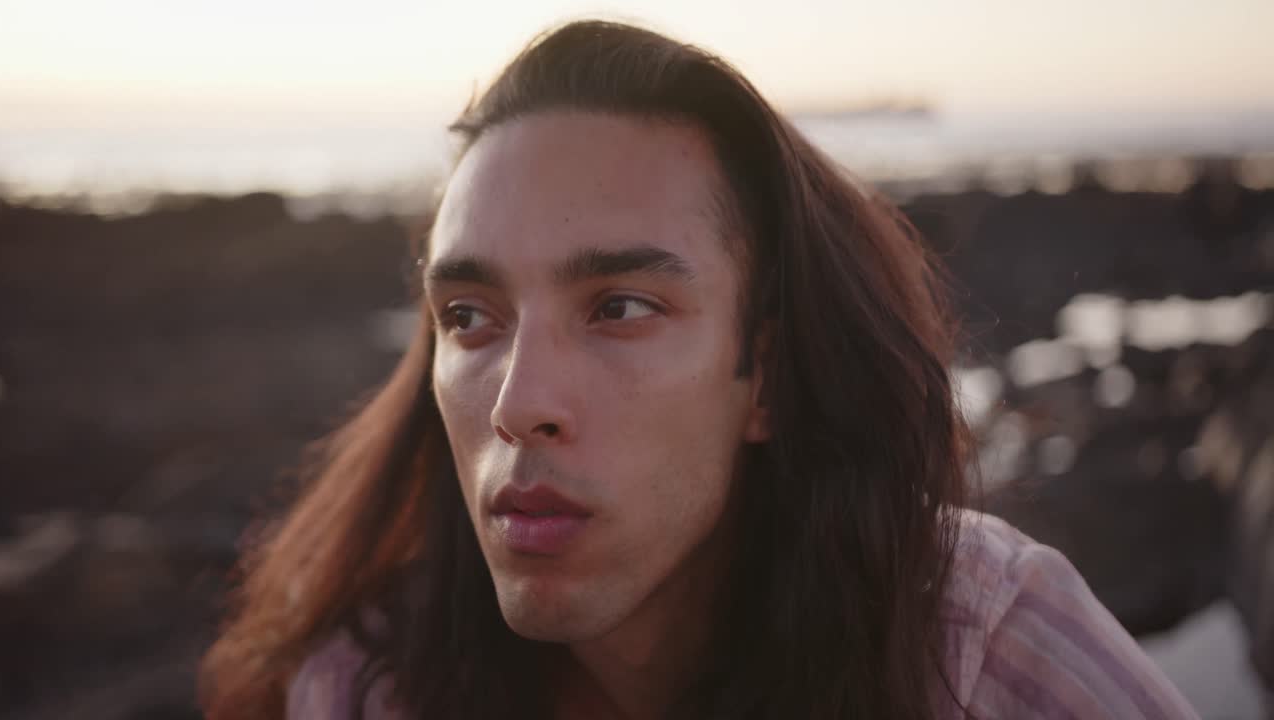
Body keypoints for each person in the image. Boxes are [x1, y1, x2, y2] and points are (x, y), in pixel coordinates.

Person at [200, 19, 1200, 720]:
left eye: (619, 308)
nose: (518, 408)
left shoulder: (981, 655)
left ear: (763, 373)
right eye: (469, 318)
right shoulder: (367, 689)